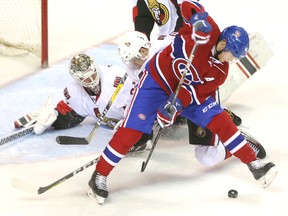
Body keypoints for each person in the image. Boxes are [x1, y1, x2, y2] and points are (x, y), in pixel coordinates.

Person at [87, 1, 277, 204]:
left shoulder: (221, 72)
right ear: (222, 44)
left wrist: (173, 108)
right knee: (132, 130)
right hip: (157, 81)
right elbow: (188, 5)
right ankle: (99, 175)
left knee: (219, 120)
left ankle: (254, 164)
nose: (231, 60)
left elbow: (194, 92)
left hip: (188, 94)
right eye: (232, 55)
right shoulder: (210, 29)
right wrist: (197, 22)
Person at [117, 30, 266, 163]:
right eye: (130, 61)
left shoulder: (166, 43)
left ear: (144, 49)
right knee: (205, 157)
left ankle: (236, 138)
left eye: (135, 58)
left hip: (198, 97)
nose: (134, 63)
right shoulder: (134, 72)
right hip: (177, 102)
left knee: (209, 154)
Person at [14, 54, 133, 138]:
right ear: (77, 79)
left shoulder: (118, 79)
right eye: (86, 79)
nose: (92, 81)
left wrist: (132, 124)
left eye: (93, 75)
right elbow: (72, 116)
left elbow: (145, 101)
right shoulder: (74, 91)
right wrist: (54, 117)